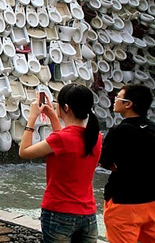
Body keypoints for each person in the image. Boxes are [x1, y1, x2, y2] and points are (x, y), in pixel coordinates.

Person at [18, 83, 102, 243]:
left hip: (59, 212)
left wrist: (32, 118)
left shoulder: (61, 139)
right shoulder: (95, 137)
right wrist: (53, 117)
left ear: (66, 107)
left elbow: (24, 152)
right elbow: (64, 143)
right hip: (88, 214)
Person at [100, 84, 155, 243]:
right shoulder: (153, 128)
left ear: (128, 104)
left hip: (123, 202)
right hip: (151, 200)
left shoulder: (119, 131)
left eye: (118, 97)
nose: (115, 100)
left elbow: (105, 162)